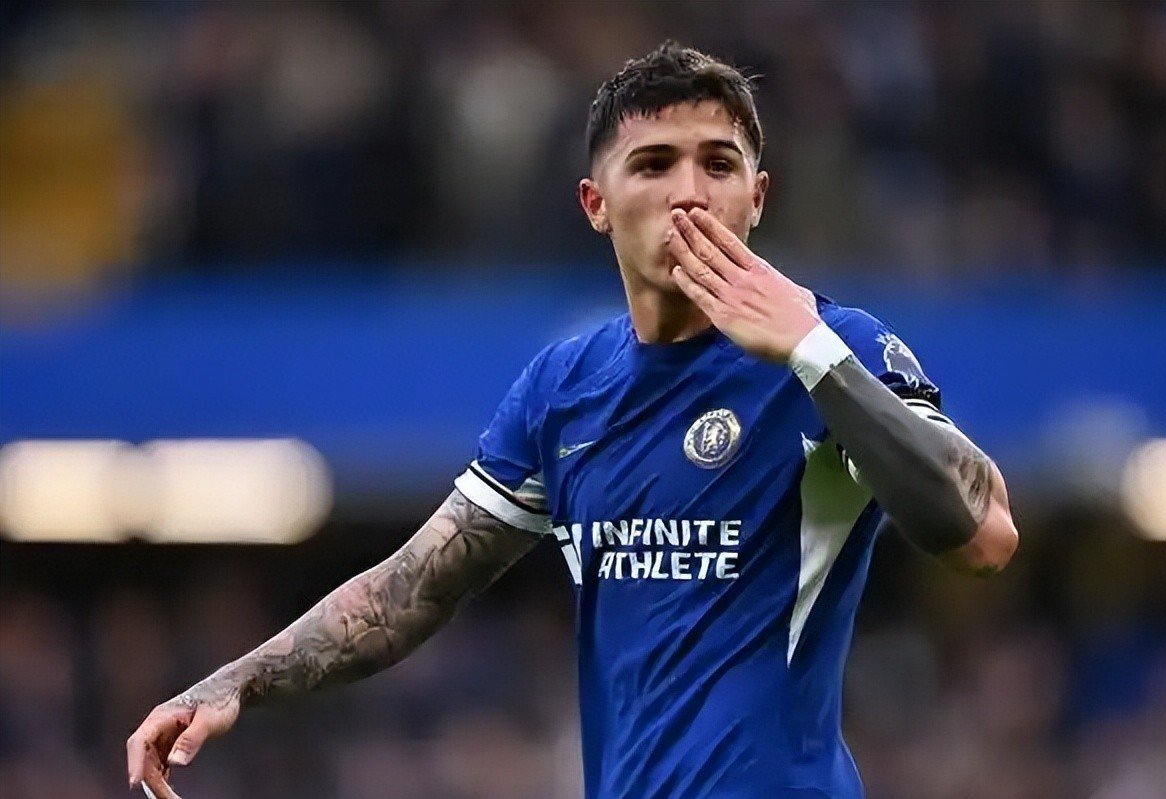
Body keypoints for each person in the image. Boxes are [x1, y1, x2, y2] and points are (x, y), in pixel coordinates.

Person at [127, 42, 1018, 799]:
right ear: (597, 204)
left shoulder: (835, 347)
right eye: (654, 164)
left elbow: (983, 532)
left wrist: (812, 353)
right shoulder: (565, 387)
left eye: (718, 164)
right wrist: (236, 680)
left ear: (758, 197)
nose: (690, 192)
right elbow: (410, 589)